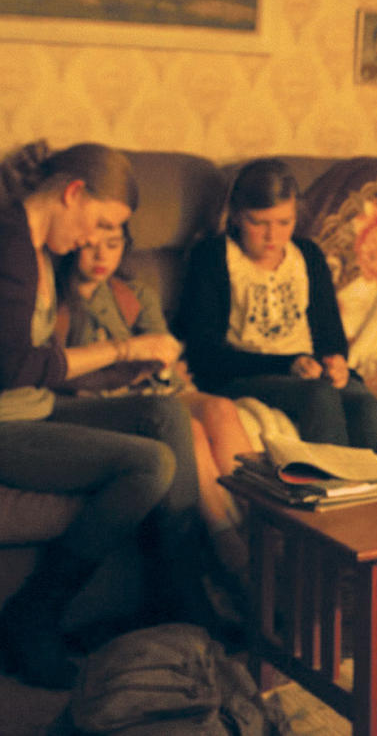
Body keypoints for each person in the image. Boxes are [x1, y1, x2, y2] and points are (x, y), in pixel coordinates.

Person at [0, 142, 209, 689]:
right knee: (148, 464)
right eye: (100, 223)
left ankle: (178, 603)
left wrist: (124, 375)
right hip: (6, 425)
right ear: (73, 193)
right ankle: (32, 614)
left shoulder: (40, 247)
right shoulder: (9, 243)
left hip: (35, 406)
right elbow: (16, 366)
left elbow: (45, 372)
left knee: (163, 411)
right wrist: (123, 349)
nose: (94, 240)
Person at [57, 221, 253, 579]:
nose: (101, 256)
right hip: (108, 398)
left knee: (220, 408)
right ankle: (224, 537)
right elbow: (59, 370)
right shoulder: (57, 302)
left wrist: (162, 359)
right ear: (73, 244)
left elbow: (163, 351)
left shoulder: (133, 293)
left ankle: (261, 524)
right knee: (189, 430)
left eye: (113, 245)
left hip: (157, 386)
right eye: (91, 246)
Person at [175, 158, 377, 449]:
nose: (272, 236)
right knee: (318, 395)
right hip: (243, 374)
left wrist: (334, 363)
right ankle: (329, 477)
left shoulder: (307, 256)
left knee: (366, 405)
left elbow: (330, 335)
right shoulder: (213, 257)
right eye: (258, 223)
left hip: (307, 372)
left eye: (284, 222)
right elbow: (205, 353)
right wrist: (288, 364)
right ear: (236, 216)